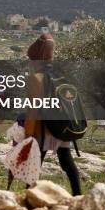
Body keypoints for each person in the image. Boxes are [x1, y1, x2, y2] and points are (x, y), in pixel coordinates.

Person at [25, 33, 82, 195]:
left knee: (35, 164)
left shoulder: (37, 78)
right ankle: (78, 195)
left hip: (44, 128)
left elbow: (33, 109)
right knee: (66, 161)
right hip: (62, 126)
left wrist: (28, 133)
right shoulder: (60, 74)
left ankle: (27, 199)